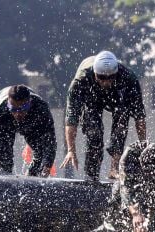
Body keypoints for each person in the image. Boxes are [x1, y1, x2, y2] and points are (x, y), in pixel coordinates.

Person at [60, 51, 147, 181]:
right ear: (95, 73)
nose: (105, 82)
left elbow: (139, 117)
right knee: (94, 131)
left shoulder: (129, 79)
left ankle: (114, 168)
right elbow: (71, 120)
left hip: (117, 96)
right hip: (92, 98)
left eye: (110, 77)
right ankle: (92, 173)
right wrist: (71, 150)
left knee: (122, 116)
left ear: (116, 73)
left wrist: (143, 146)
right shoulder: (81, 80)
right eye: (101, 77)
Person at [0, 85, 57, 177]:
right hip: (5, 122)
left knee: (40, 154)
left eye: (22, 109)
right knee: (5, 163)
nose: (18, 114)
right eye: (14, 109)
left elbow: (50, 140)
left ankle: (30, 177)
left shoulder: (40, 108)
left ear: (29, 102)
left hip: (31, 122)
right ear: (9, 104)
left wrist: (47, 165)